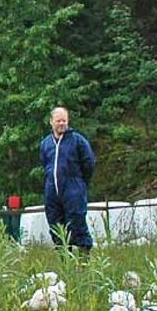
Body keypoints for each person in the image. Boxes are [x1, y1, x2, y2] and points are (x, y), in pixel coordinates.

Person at [39, 106, 95, 252]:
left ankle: (84, 261)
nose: (62, 123)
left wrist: (80, 184)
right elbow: (45, 164)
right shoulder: (46, 143)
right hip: (53, 190)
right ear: (51, 122)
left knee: (77, 222)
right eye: (58, 120)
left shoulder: (78, 141)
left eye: (64, 120)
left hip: (73, 188)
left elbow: (89, 163)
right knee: (56, 225)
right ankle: (66, 261)